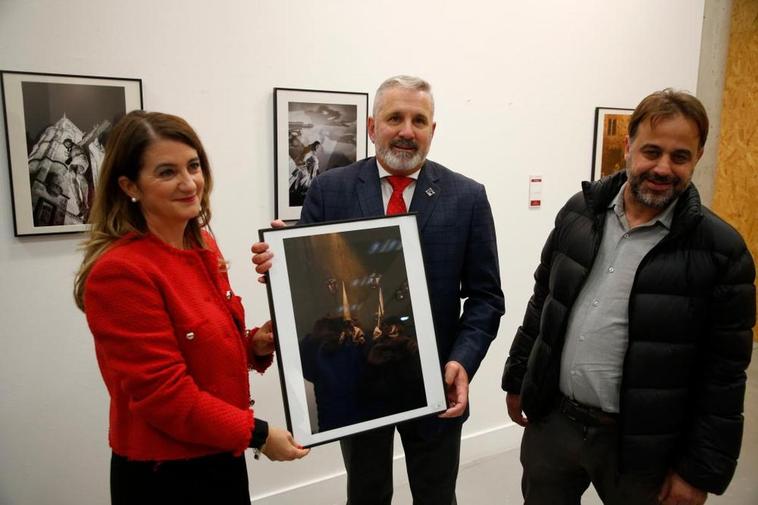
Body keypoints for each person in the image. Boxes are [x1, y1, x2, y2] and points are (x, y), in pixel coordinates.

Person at [253, 75, 505, 505]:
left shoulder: (467, 197)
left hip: (434, 384)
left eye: (419, 120)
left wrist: (462, 360)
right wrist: (282, 263)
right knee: (366, 493)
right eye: (395, 118)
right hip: (357, 383)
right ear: (372, 127)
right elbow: (309, 281)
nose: (407, 131)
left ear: (432, 130)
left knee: (436, 494)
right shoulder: (330, 189)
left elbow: (486, 297)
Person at [502, 89, 756, 505]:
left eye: (680, 156)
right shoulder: (578, 213)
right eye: (651, 151)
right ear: (628, 147)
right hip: (555, 424)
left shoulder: (722, 252)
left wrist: (697, 471)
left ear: (699, 156)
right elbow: (544, 301)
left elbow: (724, 374)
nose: (662, 168)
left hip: (644, 446)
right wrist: (519, 379)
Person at [73, 110, 309, 505]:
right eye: (166, 172)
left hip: (220, 454)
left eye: (193, 166)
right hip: (166, 474)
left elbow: (202, 347)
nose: (189, 183)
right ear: (130, 185)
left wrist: (255, 344)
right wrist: (260, 435)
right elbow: (167, 397)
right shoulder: (119, 273)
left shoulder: (201, 244)